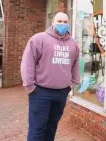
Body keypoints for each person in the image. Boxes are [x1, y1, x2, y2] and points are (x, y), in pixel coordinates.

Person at [21, 12, 80, 141]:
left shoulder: (73, 44)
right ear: (52, 23)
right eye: (59, 21)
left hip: (61, 93)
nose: (63, 24)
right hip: (41, 92)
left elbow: (75, 64)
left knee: (52, 126)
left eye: (65, 22)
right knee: (37, 128)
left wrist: (73, 83)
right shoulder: (39, 39)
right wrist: (29, 85)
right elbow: (28, 62)